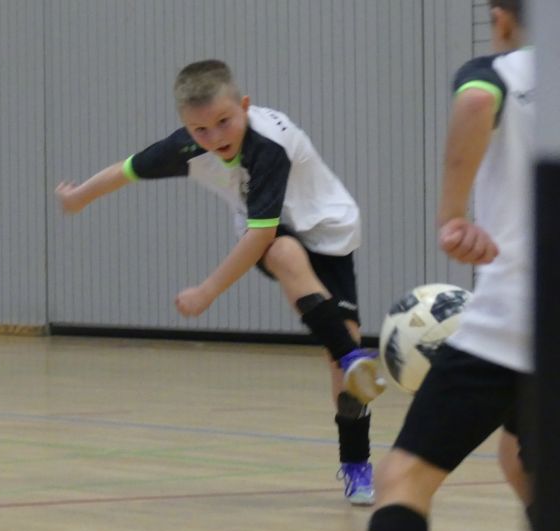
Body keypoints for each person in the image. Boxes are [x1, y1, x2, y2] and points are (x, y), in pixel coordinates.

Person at [56, 59, 386, 505]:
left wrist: (207, 291)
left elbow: (260, 234)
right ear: (186, 127)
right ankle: (351, 358)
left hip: (328, 232)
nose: (214, 138)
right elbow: (126, 169)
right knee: (286, 256)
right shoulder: (187, 147)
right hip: (273, 236)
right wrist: (78, 197)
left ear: (244, 106)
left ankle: (355, 455)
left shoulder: (268, 147)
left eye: (224, 122)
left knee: (340, 367)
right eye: (200, 130)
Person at [350, 1, 533, 531]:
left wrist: (452, 216)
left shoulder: (503, 71)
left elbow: (476, 102)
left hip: (512, 327)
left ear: (501, 18)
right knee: (520, 462)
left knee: (404, 478)